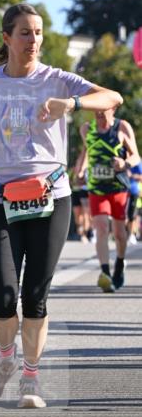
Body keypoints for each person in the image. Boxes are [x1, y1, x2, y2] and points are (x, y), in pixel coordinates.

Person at [0, 3, 123, 410]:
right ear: (7, 38)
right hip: (0, 196)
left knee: (35, 296)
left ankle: (32, 379)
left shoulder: (57, 80)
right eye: (25, 32)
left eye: (38, 32)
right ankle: (5, 362)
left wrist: (70, 105)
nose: (34, 40)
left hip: (50, 196)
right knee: (3, 295)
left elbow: (113, 96)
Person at [75, 108, 140, 291]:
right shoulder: (86, 129)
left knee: (119, 234)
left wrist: (124, 163)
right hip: (97, 188)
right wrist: (80, 169)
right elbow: (87, 151)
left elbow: (135, 156)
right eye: (96, 111)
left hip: (117, 187)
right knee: (102, 228)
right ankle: (105, 273)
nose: (99, 115)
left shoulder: (122, 127)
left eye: (103, 111)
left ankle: (119, 263)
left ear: (113, 109)